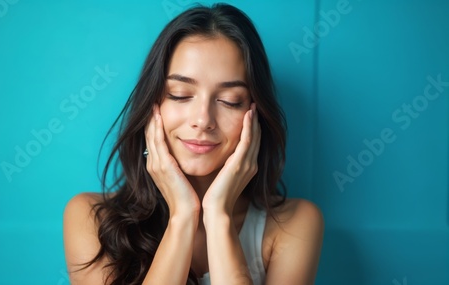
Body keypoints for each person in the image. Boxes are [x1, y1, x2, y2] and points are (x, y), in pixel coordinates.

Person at [63, 3, 324, 285]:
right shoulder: (90, 218)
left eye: (230, 101)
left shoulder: (295, 224)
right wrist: (183, 216)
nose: (203, 120)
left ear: (255, 114)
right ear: (152, 105)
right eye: (179, 94)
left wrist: (218, 216)